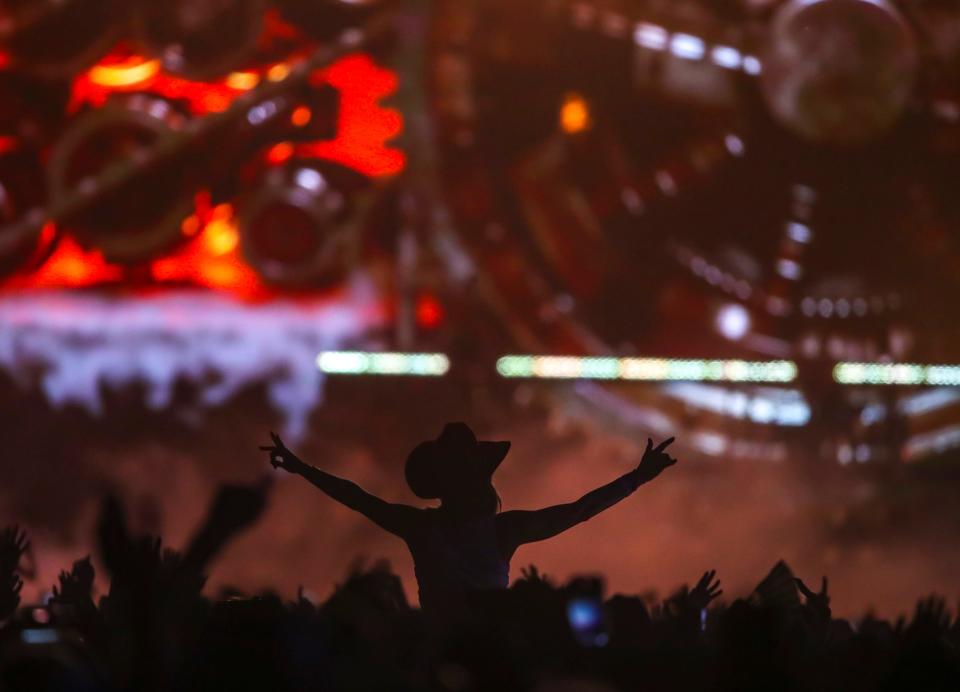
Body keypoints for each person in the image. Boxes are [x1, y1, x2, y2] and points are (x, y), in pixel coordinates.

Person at [261, 422, 678, 613]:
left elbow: (357, 498)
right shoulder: (501, 530)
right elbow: (579, 512)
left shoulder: (425, 527)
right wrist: (636, 478)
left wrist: (302, 468)